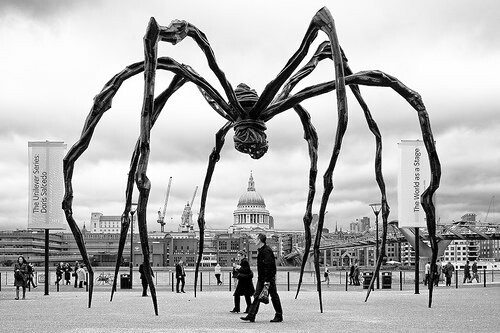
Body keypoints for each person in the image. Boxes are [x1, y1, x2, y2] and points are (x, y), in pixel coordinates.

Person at [241, 233, 283, 323]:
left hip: (267, 279)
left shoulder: (266, 251)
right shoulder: (262, 250)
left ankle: (279, 315)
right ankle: (251, 315)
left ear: (260, 240)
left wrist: (267, 280)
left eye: (256, 238)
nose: (254, 240)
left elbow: (270, 266)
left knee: (274, 296)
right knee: (257, 296)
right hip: (262, 278)